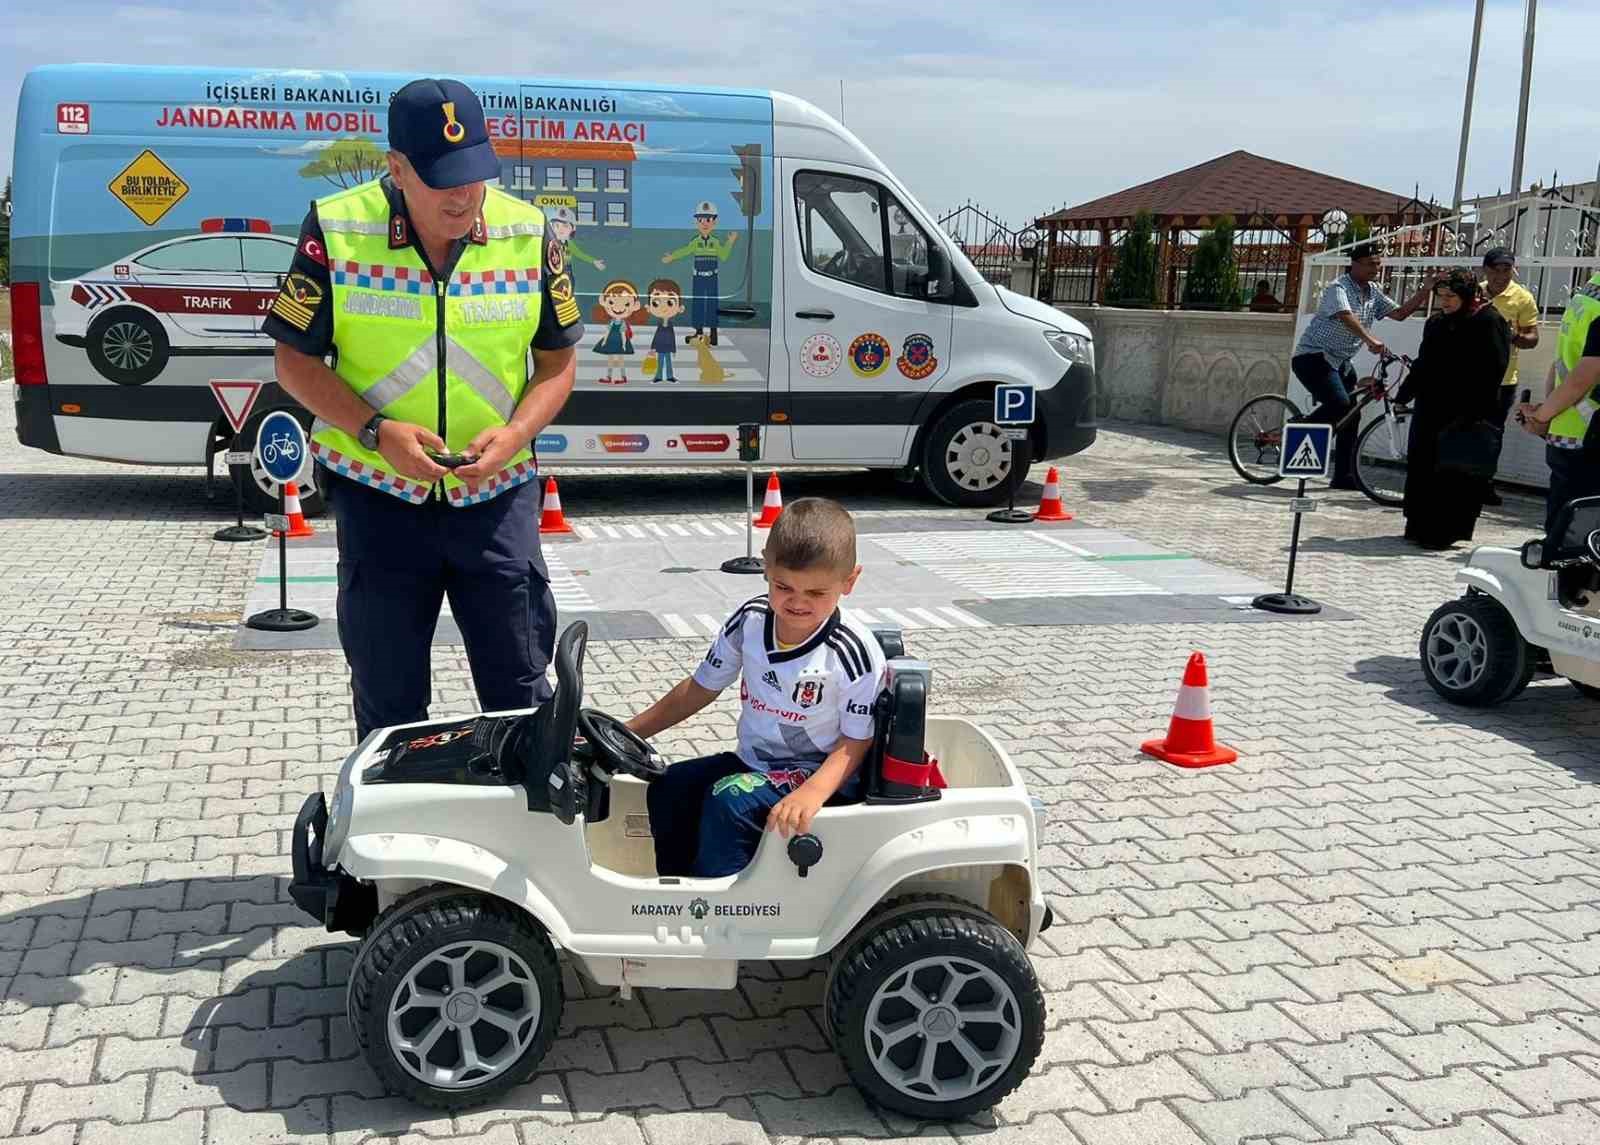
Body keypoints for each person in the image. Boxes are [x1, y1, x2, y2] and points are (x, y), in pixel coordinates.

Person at [263, 78, 583, 740]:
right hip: (380, 498)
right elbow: (293, 361)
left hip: (495, 496)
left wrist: (518, 430)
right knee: (389, 700)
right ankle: (391, 830)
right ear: (397, 167)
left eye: (475, 175)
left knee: (522, 692)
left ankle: (523, 828)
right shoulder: (337, 228)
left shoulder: (530, 232)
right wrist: (376, 432)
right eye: (442, 180)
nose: (464, 196)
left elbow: (558, 364)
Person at [628, 499, 888, 877]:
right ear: (766, 568)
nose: (797, 602)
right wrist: (628, 733)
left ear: (849, 581)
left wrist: (811, 794)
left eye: (815, 593)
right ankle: (678, 893)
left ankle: (725, 918)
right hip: (755, 765)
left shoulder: (852, 651)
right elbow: (700, 688)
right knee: (670, 785)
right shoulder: (750, 620)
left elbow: (856, 741)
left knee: (730, 800)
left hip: (817, 774)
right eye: (783, 586)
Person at [1291, 243, 1433, 488]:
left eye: (1378, 264)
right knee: (1340, 404)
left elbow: (1399, 313)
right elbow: (1346, 316)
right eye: (1370, 263)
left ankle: (1343, 476)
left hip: (1341, 361)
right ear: (1354, 264)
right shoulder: (1338, 288)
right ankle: (1300, 431)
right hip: (1314, 357)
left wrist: (1425, 289)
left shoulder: (1373, 292)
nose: (1375, 268)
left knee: (1351, 416)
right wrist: (1370, 340)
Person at [1396, 270, 1510, 549]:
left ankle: (1444, 531)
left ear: (1467, 295)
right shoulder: (1436, 323)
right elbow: (1424, 363)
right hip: (1431, 407)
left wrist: (1475, 411)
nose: (1444, 302)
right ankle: (1418, 525)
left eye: (1451, 296)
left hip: (1465, 411)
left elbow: (1494, 369)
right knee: (1423, 464)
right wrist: (1404, 394)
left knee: (1454, 471)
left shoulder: (1488, 320)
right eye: (1441, 296)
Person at [1519, 270, 1600, 539]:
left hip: (1568, 425)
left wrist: (1545, 414)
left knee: (1565, 524)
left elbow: (1563, 361)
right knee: (1580, 534)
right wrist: (1543, 415)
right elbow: (1583, 375)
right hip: (1588, 433)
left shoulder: (1587, 291)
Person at [1480, 248, 1541, 505]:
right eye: (1496, 270)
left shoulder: (1522, 298)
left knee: (1493, 433)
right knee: (1462, 428)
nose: (1501, 276)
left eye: (1507, 270)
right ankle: (1459, 480)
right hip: (1467, 377)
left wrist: (1513, 336)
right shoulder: (1473, 292)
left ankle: (1484, 484)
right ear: (1486, 270)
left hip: (1503, 380)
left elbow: (1533, 338)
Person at [661, 200, 739, 345]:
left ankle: (713, 332)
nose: (704, 223)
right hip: (698, 278)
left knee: (711, 304)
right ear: (696, 222)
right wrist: (672, 257)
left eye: (708, 220)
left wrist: (730, 242)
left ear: (714, 222)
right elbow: (685, 250)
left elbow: (723, 255)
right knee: (698, 303)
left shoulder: (715, 242)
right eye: (701, 220)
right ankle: (699, 331)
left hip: (712, 277)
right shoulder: (695, 242)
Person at [645, 278, 685, 383]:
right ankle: (658, 376)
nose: (664, 307)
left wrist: (674, 349)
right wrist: (653, 348)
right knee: (660, 361)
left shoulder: (670, 326)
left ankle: (669, 376)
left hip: (667, 348)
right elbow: (656, 337)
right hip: (660, 348)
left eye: (670, 303)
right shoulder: (660, 326)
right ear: (648, 307)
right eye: (656, 303)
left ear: (680, 308)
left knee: (668, 361)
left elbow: (672, 338)